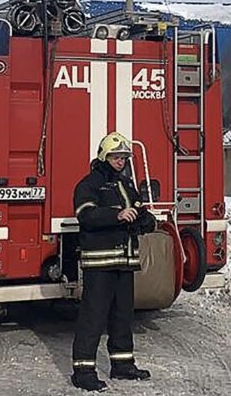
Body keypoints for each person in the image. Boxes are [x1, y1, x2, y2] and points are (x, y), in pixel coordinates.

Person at [70, 132, 157, 392]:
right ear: (104, 157)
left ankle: (122, 364)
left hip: (125, 261)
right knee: (93, 316)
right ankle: (83, 371)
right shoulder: (89, 185)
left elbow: (140, 212)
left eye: (123, 157)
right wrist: (117, 215)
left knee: (123, 314)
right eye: (116, 157)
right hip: (100, 263)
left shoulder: (126, 184)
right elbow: (86, 215)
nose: (120, 161)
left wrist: (145, 220)